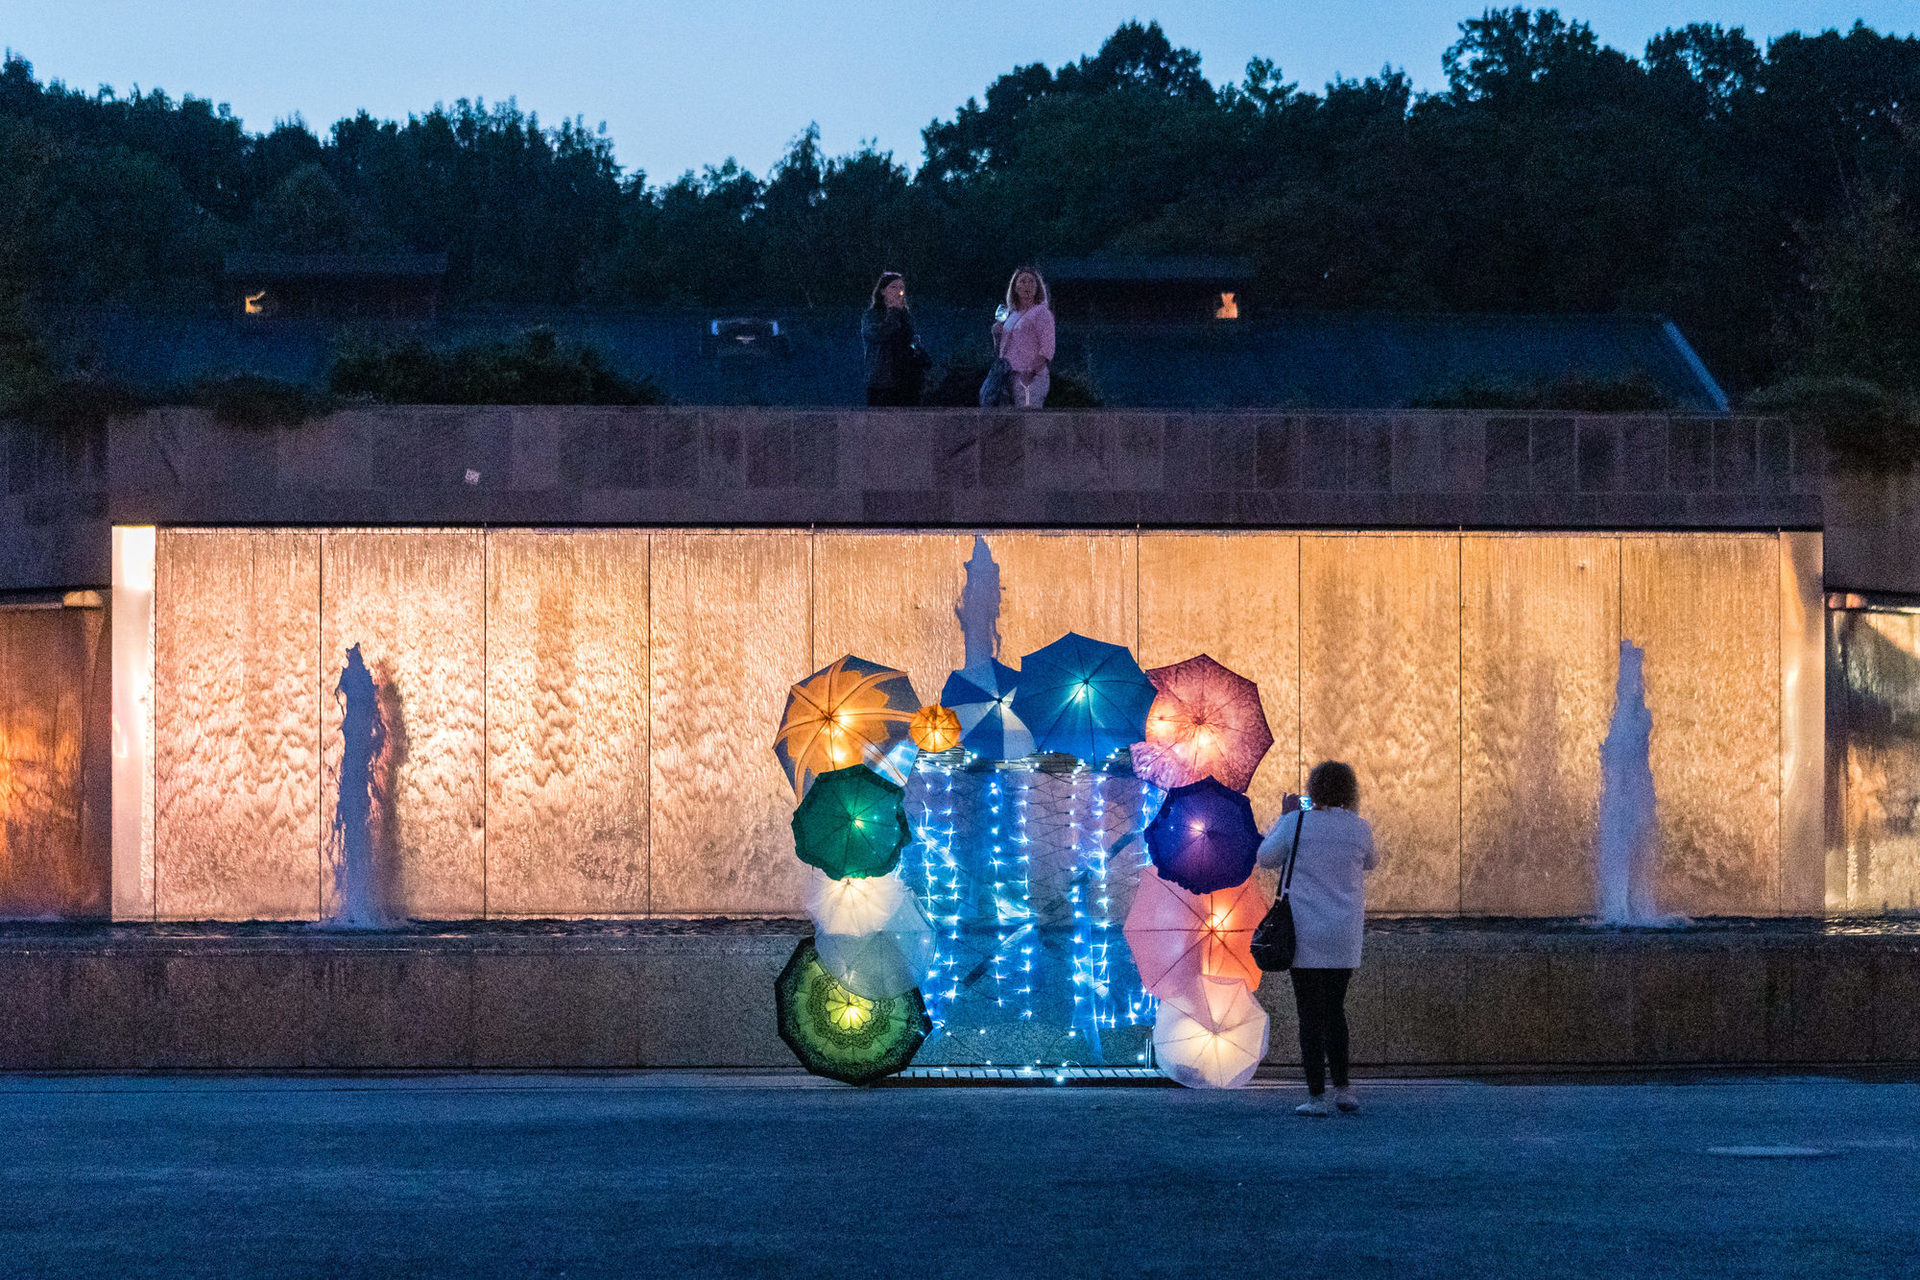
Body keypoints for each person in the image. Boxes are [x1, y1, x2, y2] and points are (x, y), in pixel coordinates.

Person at [1255, 760, 1379, 1117]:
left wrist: (1284, 815)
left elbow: (1265, 858)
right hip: (1343, 934)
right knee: (1335, 1010)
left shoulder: (1296, 821)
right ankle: (1344, 1089)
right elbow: (1372, 862)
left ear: (1313, 789)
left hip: (1305, 931)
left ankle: (1316, 1097)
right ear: (1350, 791)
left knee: (1310, 1014)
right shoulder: (1359, 828)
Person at [989, 267, 1055, 408]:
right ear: (1015, 287)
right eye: (1023, 281)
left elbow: (1047, 347)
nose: (1027, 285)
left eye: (1031, 282)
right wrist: (997, 334)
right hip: (1008, 376)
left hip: (1029, 377)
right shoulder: (1012, 314)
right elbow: (1002, 348)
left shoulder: (1041, 312)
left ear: (1037, 287)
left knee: (1028, 416)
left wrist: (1031, 370)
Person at [862, 272, 930, 406]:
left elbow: (910, 341)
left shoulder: (905, 316)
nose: (899, 291)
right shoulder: (871, 316)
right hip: (882, 381)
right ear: (883, 291)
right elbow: (881, 334)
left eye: (901, 288)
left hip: (907, 379)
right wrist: (893, 312)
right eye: (893, 287)